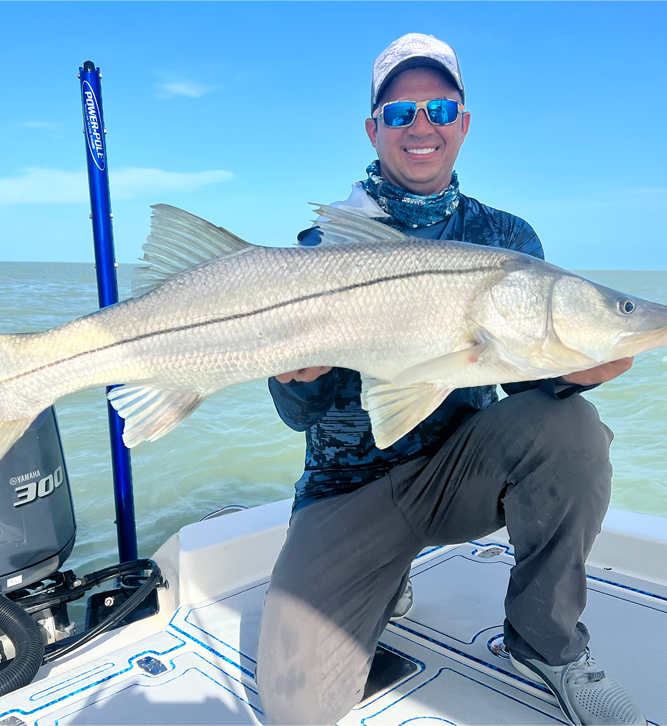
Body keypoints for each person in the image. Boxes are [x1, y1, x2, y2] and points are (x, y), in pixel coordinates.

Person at [254, 33, 644, 726]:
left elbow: (531, 403)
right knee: (296, 708)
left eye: (439, 107)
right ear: (375, 130)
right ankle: (385, 578)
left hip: (459, 476)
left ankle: (545, 645)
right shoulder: (321, 248)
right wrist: (295, 376)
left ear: (463, 122)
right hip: (346, 495)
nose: (421, 126)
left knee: (571, 427)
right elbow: (298, 412)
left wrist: (576, 373)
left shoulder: (507, 238)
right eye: (400, 114)